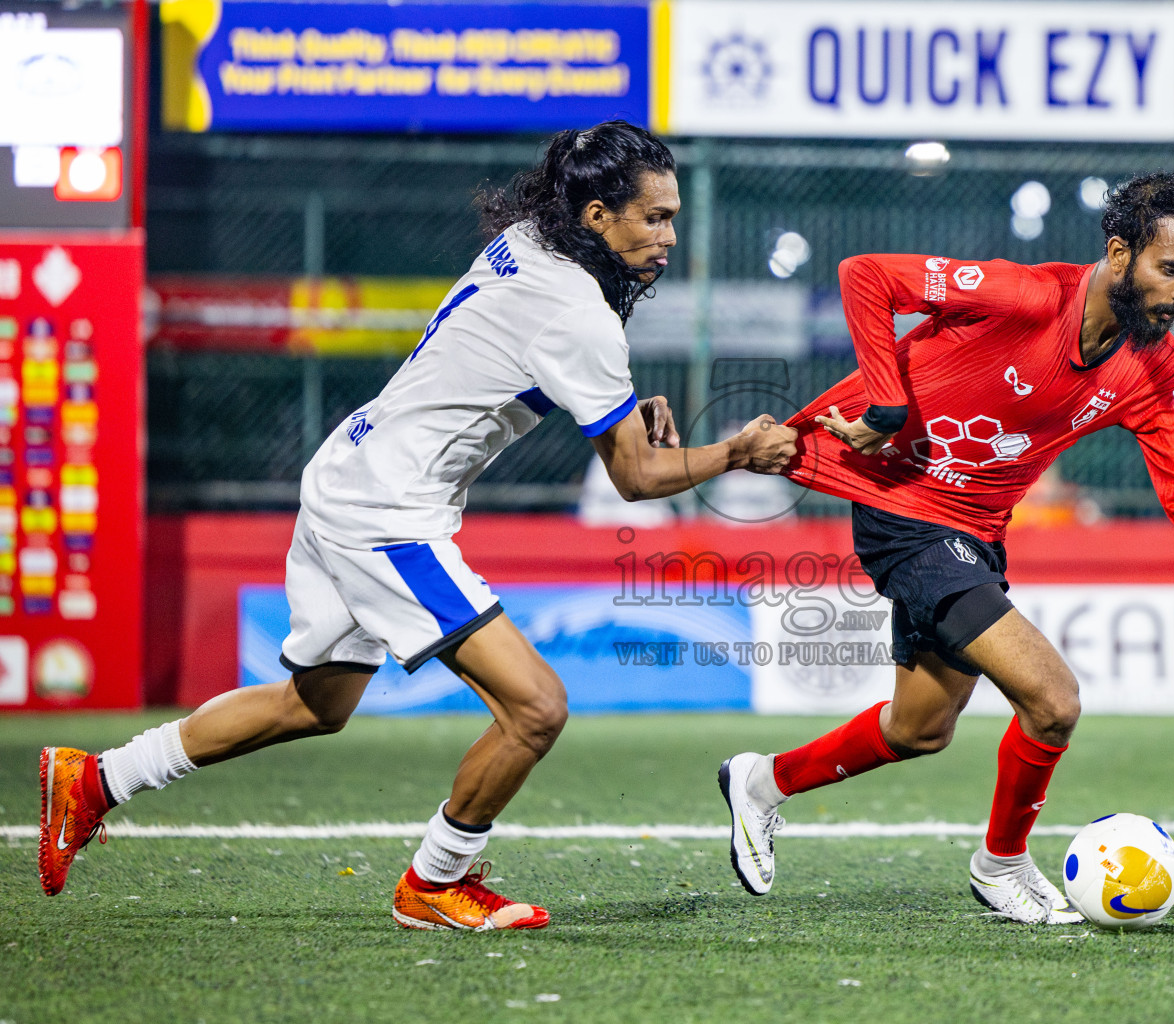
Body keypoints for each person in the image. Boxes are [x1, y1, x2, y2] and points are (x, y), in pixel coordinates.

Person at [40, 121, 798, 930]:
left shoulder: (527, 242)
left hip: (348, 470)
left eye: (673, 216)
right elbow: (637, 476)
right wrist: (737, 453)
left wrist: (624, 417)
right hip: (386, 512)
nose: (670, 237)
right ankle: (436, 881)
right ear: (596, 218)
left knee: (313, 706)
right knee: (536, 707)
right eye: (654, 217)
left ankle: (97, 780)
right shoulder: (580, 311)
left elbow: (521, 359)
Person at [718, 171, 1174, 924]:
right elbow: (866, 276)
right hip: (903, 510)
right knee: (1054, 701)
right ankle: (1000, 868)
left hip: (975, 533)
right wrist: (886, 399)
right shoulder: (1028, 295)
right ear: (1118, 254)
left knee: (920, 728)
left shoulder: (1153, 368)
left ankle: (760, 782)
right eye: (1170, 269)